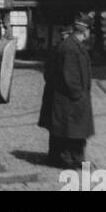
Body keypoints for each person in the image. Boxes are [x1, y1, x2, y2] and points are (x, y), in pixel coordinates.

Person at [39, 15, 94, 168]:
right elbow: (70, 75)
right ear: (85, 31)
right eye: (89, 30)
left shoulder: (73, 45)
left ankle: (74, 158)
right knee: (70, 131)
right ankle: (68, 160)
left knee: (73, 131)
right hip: (71, 99)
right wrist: (78, 94)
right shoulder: (70, 47)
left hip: (72, 99)